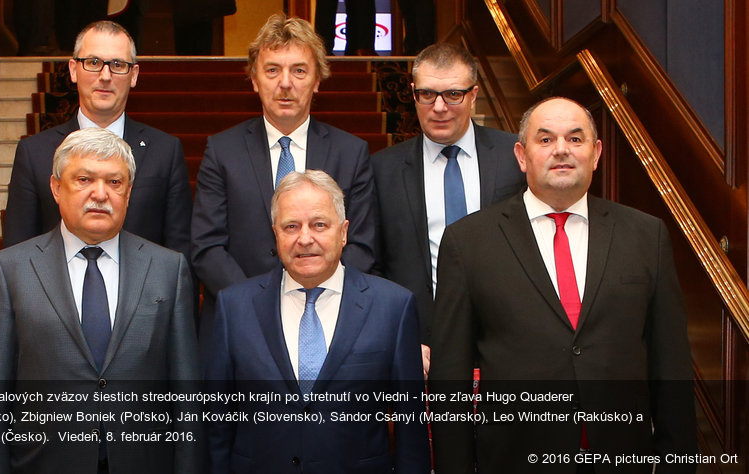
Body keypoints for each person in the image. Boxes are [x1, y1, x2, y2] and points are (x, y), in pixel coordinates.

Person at [428, 97, 697, 473]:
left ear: (596, 152)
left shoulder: (645, 235)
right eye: (545, 139)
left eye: (575, 139)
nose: (561, 150)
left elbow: (671, 366)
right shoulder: (469, 242)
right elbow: (449, 378)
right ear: (521, 156)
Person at [0, 128, 203, 473]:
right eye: (84, 179)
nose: (100, 194)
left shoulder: (168, 268)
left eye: (115, 182)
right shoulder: (11, 270)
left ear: (129, 192)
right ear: (55, 188)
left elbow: (186, 399)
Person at [204, 170, 429, 473]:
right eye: (291, 226)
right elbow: (218, 422)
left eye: (319, 225)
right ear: (276, 233)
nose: (305, 238)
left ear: (344, 231)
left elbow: (409, 431)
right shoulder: (234, 307)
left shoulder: (393, 307)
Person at [191, 13, 376, 343]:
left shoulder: (352, 153)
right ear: (254, 79)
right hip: (241, 325)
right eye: (272, 70)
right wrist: (258, 303)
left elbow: (361, 245)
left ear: (317, 80)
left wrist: (316, 296)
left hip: (328, 319)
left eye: (299, 70)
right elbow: (207, 247)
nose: (285, 83)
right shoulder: (222, 150)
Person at [372, 42, 525, 373]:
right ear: (412, 93)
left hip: (508, 341)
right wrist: (398, 335)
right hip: (420, 345)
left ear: (473, 95)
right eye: (427, 94)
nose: (439, 107)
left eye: (453, 94)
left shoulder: (515, 157)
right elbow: (371, 264)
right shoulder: (381, 170)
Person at [3, 20, 191, 258]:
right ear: (73, 70)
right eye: (93, 63)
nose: (105, 76)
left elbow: (180, 253)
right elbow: (16, 255)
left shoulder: (165, 151)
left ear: (133, 75)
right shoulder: (34, 153)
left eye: (117, 64)